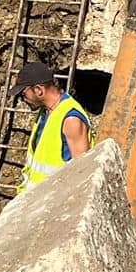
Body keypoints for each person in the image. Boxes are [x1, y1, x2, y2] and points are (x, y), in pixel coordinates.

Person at [15, 61, 93, 193]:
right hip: (34, 201)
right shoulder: (45, 112)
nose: (23, 99)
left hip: (52, 204)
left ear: (39, 90)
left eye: (24, 94)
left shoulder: (71, 119)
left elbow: (81, 174)